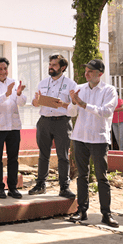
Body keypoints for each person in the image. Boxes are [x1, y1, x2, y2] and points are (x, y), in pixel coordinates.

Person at [68, 59, 119, 228]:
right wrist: (73, 102)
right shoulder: (80, 88)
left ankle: (106, 214)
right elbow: (72, 111)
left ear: (100, 73)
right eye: (86, 70)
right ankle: (81, 211)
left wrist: (83, 104)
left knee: (101, 177)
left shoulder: (109, 90)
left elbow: (105, 112)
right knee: (82, 175)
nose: (87, 73)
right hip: (80, 137)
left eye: (90, 71)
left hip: (98, 138)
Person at [29, 54, 77, 198]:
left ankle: (64, 187)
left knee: (63, 155)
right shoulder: (42, 83)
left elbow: (75, 106)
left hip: (62, 122)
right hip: (44, 121)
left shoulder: (71, 84)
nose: (50, 67)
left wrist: (62, 104)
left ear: (62, 68)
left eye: (54, 65)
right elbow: (34, 102)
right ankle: (40, 185)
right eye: (50, 64)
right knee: (43, 155)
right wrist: (36, 102)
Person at [0, 57, 26, 199]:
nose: (3, 71)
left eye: (5, 68)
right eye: (0, 69)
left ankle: (13, 188)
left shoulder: (14, 83)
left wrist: (19, 94)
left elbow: (23, 102)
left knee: (13, 158)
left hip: (14, 126)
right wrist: (6, 94)